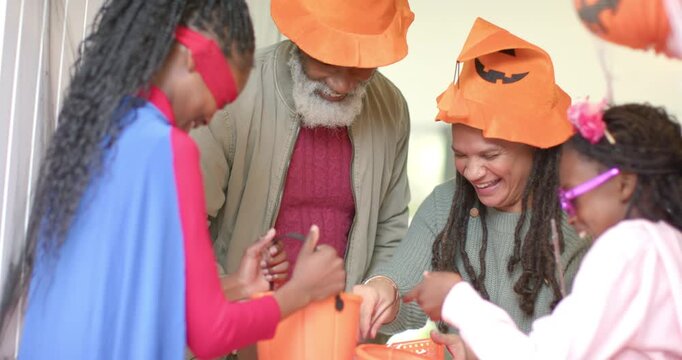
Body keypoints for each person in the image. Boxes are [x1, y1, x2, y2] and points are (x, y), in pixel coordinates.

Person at [4, 1, 345, 358]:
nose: (213, 114)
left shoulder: (100, 133)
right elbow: (210, 334)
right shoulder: (167, 148)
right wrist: (301, 292)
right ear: (191, 57)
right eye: (223, 95)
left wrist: (239, 285)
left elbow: (139, 306)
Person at [354, 17, 589, 344]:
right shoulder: (445, 204)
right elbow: (405, 292)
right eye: (461, 155)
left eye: (490, 156)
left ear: (536, 148)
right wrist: (382, 290)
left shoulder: (580, 219)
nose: (473, 171)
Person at [407, 102, 682, 359]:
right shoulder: (668, 243)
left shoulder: (626, 248)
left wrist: (457, 299)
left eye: (572, 197)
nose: (569, 215)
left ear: (623, 184)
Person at [190, 0, 414, 290]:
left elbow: (390, 228)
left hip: (340, 326)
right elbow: (184, 228)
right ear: (299, 38)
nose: (342, 85)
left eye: (360, 67)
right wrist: (227, 297)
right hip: (239, 320)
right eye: (329, 61)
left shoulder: (391, 108)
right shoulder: (234, 94)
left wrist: (380, 287)